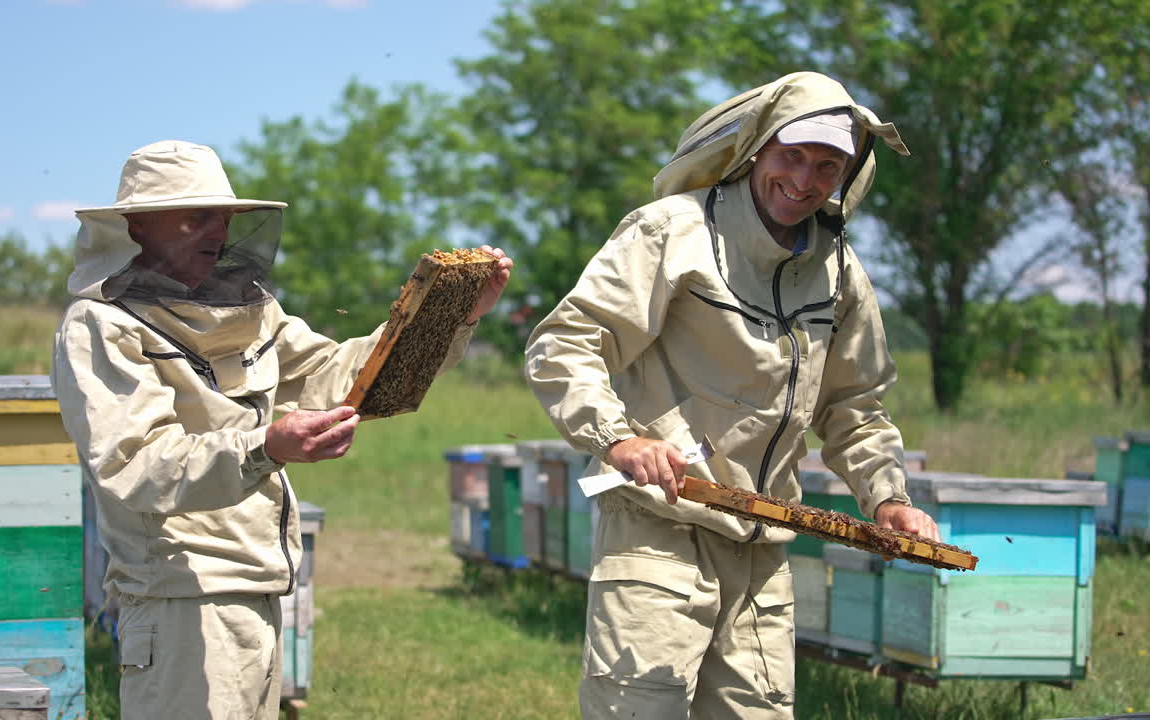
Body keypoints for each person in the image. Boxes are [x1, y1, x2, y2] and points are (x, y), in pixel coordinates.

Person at [524, 72, 939, 719]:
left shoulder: (838, 272)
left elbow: (854, 408)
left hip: (764, 548)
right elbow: (566, 344)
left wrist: (888, 498)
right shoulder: (671, 233)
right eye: (791, 157)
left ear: (847, 175)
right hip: (659, 530)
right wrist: (618, 436)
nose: (803, 181)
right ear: (757, 148)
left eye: (826, 166)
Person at [51, 139, 512, 719]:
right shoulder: (102, 328)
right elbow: (136, 466)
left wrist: (452, 317)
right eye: (196, 216)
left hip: (260, 587)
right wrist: (264, 446)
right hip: (179, 599)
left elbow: (342, 379)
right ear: (139, 227)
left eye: (224, 216)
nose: (216, 230)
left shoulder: (250, 310)